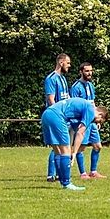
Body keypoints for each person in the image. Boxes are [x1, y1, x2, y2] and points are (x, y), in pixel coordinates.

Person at [40, 97, 109, 191]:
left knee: (57, 150)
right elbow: (81, 132)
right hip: (57, 116)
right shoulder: (91, 110)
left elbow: (73, 129)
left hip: (47, 114)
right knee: (66, 151)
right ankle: (67, 183)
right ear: (100, 114)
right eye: (100, 121)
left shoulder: (83, 107)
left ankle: (61, 179)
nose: (96, 122)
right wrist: (74, 153)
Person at [70, 62, 106, 179]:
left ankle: (93, 171)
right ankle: (83, 173)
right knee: (81, 147)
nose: (89, 73)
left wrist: (97, 119)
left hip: (92, 121)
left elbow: (92, 103)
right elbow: (75, 106)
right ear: (81, 72)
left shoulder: (90, 85)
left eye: (91, 71)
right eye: (87, 71)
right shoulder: (76, 87)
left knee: (98, 146)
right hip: (83, 122)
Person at [43, 53, 71, 182]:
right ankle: (51, 174)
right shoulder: (51, 78)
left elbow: (67, 98)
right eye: (68, 63)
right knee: (57, 144)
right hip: (56, 116)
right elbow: (50, 99)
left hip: (64, 116)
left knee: (61, 145)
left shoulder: (63, 79)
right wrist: (58, 114)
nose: (69, 66)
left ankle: (59, 173)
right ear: (61, 62)